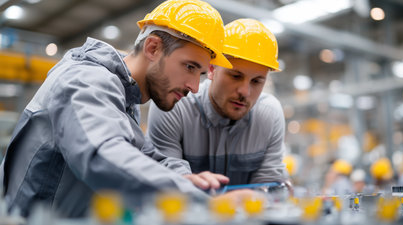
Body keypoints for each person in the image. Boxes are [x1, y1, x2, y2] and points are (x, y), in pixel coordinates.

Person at [0, 0, 252, 218]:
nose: (195, 87)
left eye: (200, 73)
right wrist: (201, 202)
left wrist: (186, 179)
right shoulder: (85, 80)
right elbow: (104, 155)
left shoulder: (122, 97)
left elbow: (146, 155)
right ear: (153, 48)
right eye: (189, 67)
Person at [147, 19, 288, 190]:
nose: (245, 91)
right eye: (235, 76)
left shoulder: (269, 115)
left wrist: (258, 195)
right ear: (212, 69)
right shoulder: (176, 106)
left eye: (257, 81)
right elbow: (166, 183)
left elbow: (270, 187)